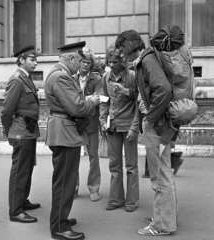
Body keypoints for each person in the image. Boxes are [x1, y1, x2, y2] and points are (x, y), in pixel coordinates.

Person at [116, 30, 178, 236]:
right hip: (159, 123)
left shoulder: (148, 61)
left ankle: (163, 225)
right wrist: (129, 92)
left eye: (123, 51)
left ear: (132, 47)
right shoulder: (147, 59)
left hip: (157, 125)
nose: (122, 56)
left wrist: (150, 118)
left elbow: (164, 90)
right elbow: (149, 91)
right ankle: (163, 217)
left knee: (160, 176)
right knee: (162, 174)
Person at [44, 41, 100, 240]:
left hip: (63, 131)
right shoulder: (61, 77)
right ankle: (59, 226)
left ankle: (61, 218)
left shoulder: (59, 74)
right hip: (65, 133)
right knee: (65, 182)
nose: (81, 64)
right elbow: (77, 108)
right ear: (70, 58)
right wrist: (92, 101)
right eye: (79, 60)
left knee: (64, 179)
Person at [1, 45, 40, 223]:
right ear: (21, 60)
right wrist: (7, 130)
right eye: (32, 59)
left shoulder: (26, 78)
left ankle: (22, 201)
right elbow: (7, 110)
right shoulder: (16, 80)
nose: (35, 62)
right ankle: (15, 211)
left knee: (28, 168)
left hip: (28, 130)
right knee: (19, 171)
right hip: (20, 131)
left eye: (36, 59)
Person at [99, 44, 140, 212]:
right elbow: (104, 99)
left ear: (123, 60)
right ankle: (116, 199)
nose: (112, 64)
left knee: (131, 166)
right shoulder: (106, 77)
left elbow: (140, 100)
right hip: (113, 126)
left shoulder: (132, 76)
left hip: (129, 125)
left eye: (115, 61)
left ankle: (132, 201)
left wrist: (134, 128)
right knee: (114, 165)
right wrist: (102, 120)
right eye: (109, 61)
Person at [74, 48, 102, 202]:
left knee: (93, 157)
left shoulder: (96, 78)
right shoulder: (71, 77)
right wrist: (88, 100)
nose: (85, 65)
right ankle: (74, 188)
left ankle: (94, 189)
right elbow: (71, 99)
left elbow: (99, 97)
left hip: (91, 122)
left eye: (88, 62)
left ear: (92, 64)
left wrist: (82, 101)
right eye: (83, 62)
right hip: (75, 123)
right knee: (73, 158)